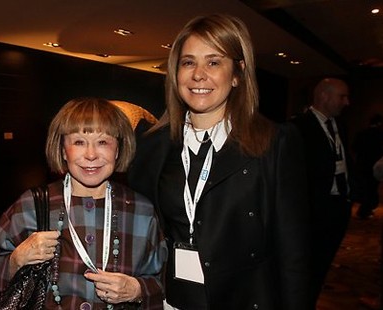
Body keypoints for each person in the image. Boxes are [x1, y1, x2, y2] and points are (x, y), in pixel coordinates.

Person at [128, 14, 311, 309]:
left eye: (213, 62)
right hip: (171, 300)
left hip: (245, 299)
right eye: (188, 62)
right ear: (176, 73)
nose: (198, 74)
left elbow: (294, 249)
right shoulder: (152, 146)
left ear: (237, 73)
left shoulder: (273, 142)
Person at [0, 97, 167, 309]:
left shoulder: (140, 210)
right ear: (63, 150)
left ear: (118, 150)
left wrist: (137, 290)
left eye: (103, 142)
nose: (91, 155)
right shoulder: (31, 205)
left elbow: (162, 282)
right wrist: (15, 261)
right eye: (79, 142)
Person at [290, 77, 352, 306]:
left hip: (339, 207)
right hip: (312, 214)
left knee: (323, 265)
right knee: (307, 269)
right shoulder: (298, 127)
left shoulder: (341, 125)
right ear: (324, 96)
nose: (347, 102)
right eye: (342, 96)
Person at [352, 114, 383, 219]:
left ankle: (365, 209)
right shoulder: (380, 135)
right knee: (372, 188)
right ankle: (365, 210)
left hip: (362, 165)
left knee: (364, 187)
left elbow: (354, 148)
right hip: (375, 165)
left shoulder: (361, 134)